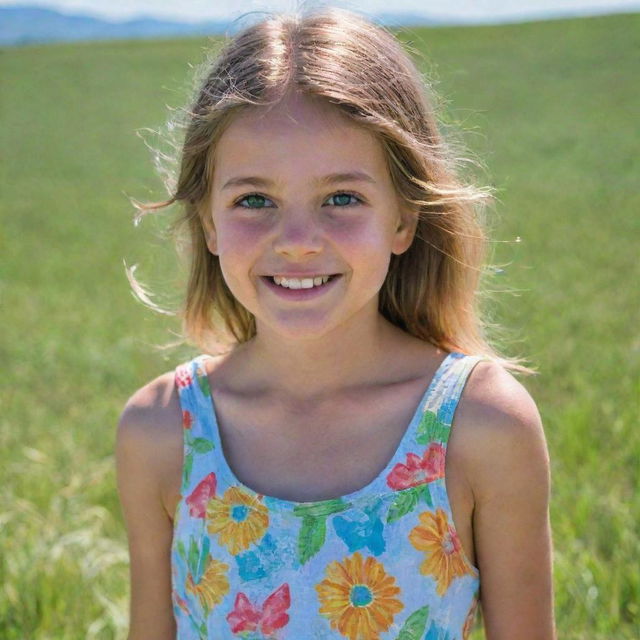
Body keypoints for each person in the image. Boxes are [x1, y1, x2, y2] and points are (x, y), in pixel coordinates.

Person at [115, 6, 556, 640]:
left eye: (342, 198)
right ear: (208, 221)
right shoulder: (163, 431)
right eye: (254, 200)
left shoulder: (480, 425)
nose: (296, 241)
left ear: (404, 219)